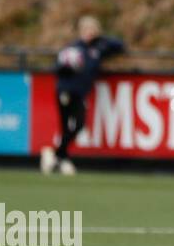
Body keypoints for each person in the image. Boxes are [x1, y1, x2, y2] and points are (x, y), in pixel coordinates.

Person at [39, 16, 125, 176]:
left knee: (77, 125)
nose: (89, 33)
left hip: (80, 93)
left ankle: (57, 155)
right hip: (66, 91)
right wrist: (68, 67)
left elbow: (120, 45)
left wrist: (101, 38)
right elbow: (58, 68)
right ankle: (60, 156)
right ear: (81, 31)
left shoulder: (99, 47)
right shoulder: (73, 49)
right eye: (86, 30)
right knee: (69, 126)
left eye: (92, 30)